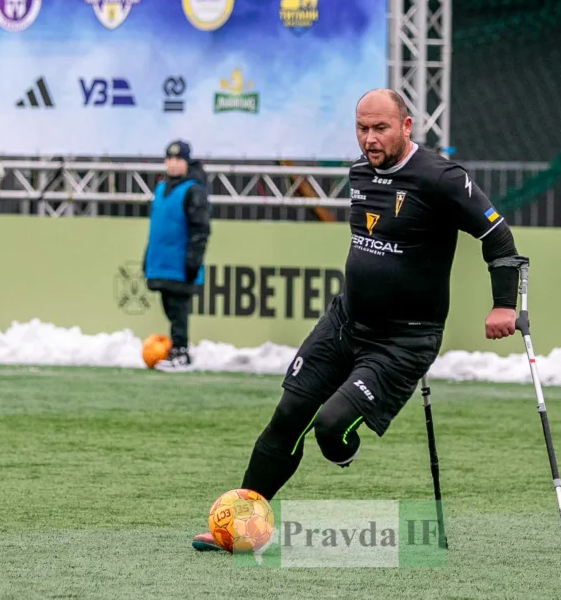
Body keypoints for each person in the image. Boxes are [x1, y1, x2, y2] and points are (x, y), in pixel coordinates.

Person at [192, 88, 523, 551]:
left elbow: (498, 235)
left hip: (403, 342)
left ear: (406, 126)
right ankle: (240, 526)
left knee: (330, 430)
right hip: (344, 322)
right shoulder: (359, 173)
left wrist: (504, 305)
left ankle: (342, 447)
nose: (369, 139)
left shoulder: (441, 178)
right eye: (362, 128)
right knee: (288, 415)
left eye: (380, 128)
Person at [143, 140, 210, 368]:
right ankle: (176, 349)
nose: (172, 164)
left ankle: (181, 352)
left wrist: (193, 259)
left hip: (180, 264)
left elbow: (200, 229)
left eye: (178, 159)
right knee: (170, 310)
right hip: (161, 263)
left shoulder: (193, 190)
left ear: (187, 162)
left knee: (179, 310)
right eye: (169, 159)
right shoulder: (161, 188)